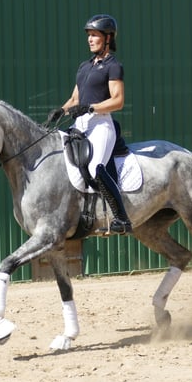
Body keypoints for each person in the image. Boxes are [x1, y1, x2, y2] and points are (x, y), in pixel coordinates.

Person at [46, 14, 132, 235]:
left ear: (108, 37)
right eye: (89, 35)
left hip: (101, 125)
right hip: (81, 123)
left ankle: (122, 219)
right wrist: (61, 111)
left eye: (94, 35)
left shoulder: (113, 66)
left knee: (95, 169)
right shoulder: (84, 67)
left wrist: (91, 108)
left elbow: (118, 100)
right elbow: (75, 99)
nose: (90, 39)